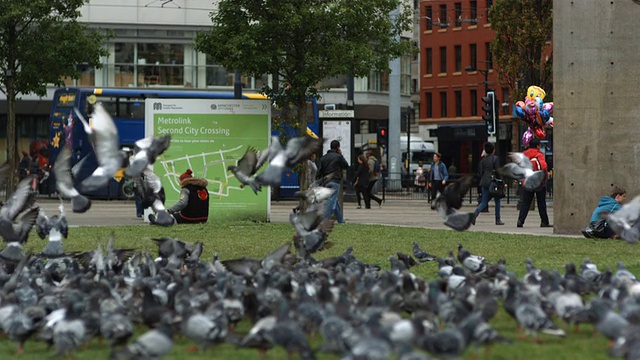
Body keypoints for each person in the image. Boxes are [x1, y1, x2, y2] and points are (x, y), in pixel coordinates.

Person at [517, 138, 551, 228]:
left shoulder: (524, 155)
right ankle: (544, 222)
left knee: (525, 202)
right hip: (538, 181)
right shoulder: (539, 154)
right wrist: (545, 178)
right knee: (541, 202)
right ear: (538, 146)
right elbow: (543, 167)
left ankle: (520, 220)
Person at [316, 140, 349, 223]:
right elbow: (346, 165)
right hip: (335, 181)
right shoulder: (338, 157)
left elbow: (319, 171)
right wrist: (341, 154)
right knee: (331, 201)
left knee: (335, 201)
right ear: (338, 147)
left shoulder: (323, 157)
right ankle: (324, 220)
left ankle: (341, 221)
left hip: (326, 182)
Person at [473, 142, 504, 225]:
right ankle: (498, 219)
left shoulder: (482, 161)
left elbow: (480, 173)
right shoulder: (495, 159)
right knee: (497, 200)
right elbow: (498, 171)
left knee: (484, 202)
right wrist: (502, 181)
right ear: (493, 150)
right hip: (493, 182)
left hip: (484, 182)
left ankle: (475, 213)